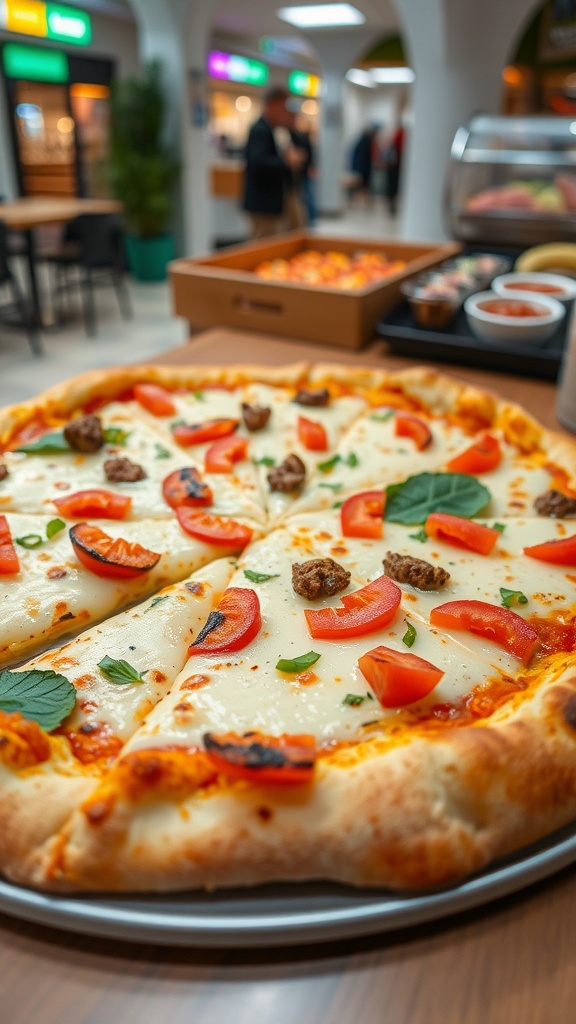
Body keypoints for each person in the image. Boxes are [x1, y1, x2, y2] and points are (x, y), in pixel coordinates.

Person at [243, 87, 307, 238]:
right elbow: (257, 163)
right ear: (272, 105)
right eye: (283, 106)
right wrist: (286, 162)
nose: (285, 111)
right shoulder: (259, 129)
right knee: (263, 241)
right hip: (263, 200)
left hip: (280, 195)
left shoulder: (279, 129)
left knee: (290, 234)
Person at [350, 127, 377, 205]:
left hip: (361, 167)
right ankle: (361, 200)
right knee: (362, 185)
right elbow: (364, 157)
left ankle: (362, 200)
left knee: (362, 185)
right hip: (363, 168)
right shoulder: (366, 142)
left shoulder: (362, 141)